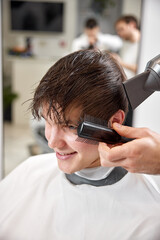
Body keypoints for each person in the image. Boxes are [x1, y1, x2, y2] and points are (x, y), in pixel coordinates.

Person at [0, 50, 160, 240]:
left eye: (69, 126)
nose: (51, 142)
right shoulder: (28, 172)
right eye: (47, 121)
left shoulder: (150, 215)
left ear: (115, 121)